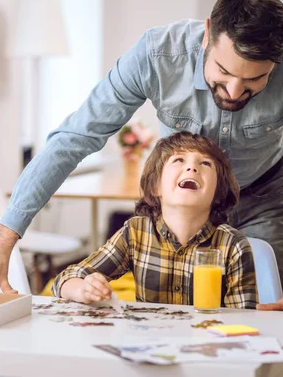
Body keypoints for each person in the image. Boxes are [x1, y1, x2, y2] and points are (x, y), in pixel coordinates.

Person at [0, 0, 283, 337]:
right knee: (174, 318)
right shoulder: (156, 55)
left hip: (265, 195)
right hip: (182, 213)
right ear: (207, 34)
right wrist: (3, 238)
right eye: (222, 72)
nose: (234, 91)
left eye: (254, 81)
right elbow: (75, 138)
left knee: (266, 323)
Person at [53, 132, 257, 309]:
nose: (192, 168)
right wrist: (83, 289)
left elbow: (242, 322)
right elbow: (66, 279)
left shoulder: (233, 246)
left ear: (218, 193)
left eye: (205, 163)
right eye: (179, 160)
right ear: (155, 187)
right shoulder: (135, 232)